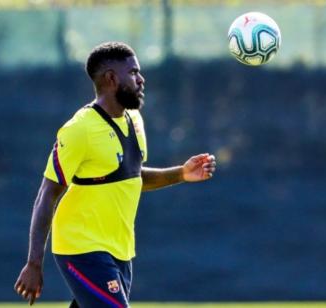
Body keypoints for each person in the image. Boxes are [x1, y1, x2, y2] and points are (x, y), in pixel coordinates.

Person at [14, 41, 216, 307]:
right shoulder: (80, 129)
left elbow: (132, 177)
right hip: (81, 247)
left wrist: (181, 173)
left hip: (120, 250)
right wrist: (33, 263)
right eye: (133, 73)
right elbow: (47, 194)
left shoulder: (134, 119)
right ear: (111, 78)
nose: (141, 80)